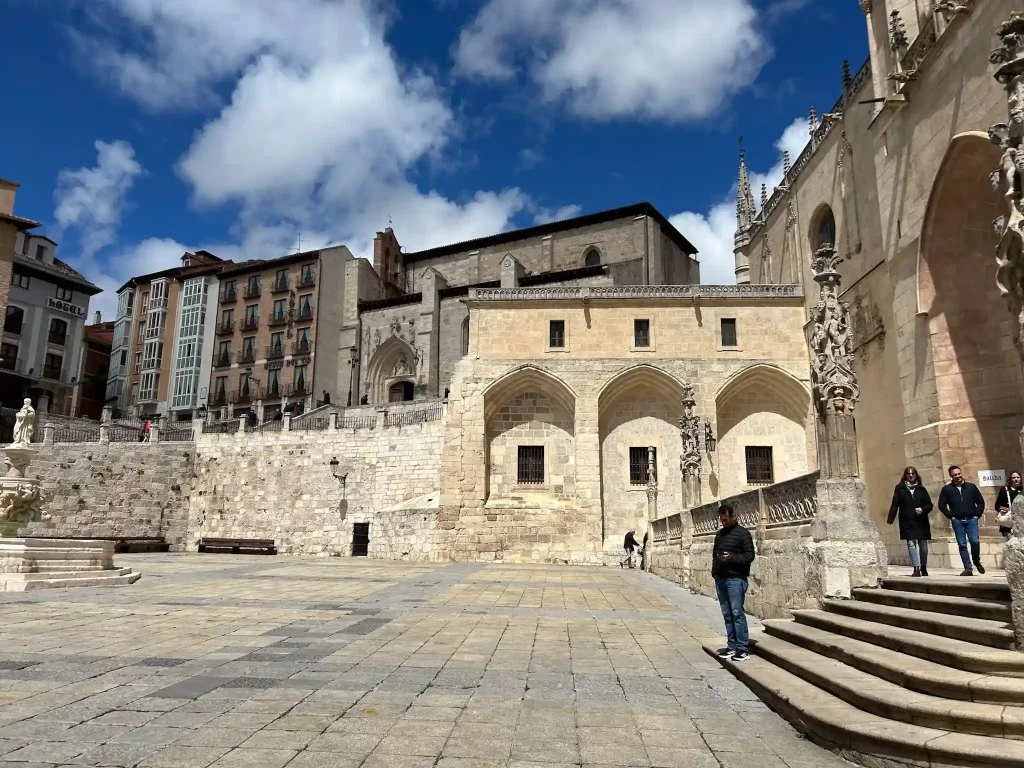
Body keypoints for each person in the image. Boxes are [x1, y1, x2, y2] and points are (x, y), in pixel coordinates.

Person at [713, 503, 755, 662]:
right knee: (727, 614)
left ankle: (742, 648)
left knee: (737, 613)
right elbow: (714, 554)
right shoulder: (720, 535)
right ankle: (732, 645)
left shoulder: (743, 534)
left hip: (736, 578)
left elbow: (749, 556)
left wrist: (731, 558)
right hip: (721, 578)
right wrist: (715, 572)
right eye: (721, 520)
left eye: (726, 520)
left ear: (732, 517)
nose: (723, 523)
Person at [938, 465, 986, 576]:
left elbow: (980, 502)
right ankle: (968, 568)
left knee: (975, 541)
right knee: (962, 544)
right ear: (951, 476)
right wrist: (951, 516)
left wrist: (977, 515)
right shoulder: (947, 489)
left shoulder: (971, 487)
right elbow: (941, 504)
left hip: (971, 519)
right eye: (955, 475)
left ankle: (976, 561)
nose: (958, 476)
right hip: (958, 520)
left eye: (959, 474)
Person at [887, 466, 934, 577]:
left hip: (921, 521)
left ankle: (923, 566)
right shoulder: (900, 488)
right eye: (909, 473)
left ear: (916, 475)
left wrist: (923, 509)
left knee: (923, 546)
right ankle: (916, 568)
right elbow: (895, 504)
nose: (911, 475)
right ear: (905, 475)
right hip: (907, 520)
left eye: (913, 473)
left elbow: (929, 504)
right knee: (911, 544)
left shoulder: (921, 489)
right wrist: (890, 518)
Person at [995, 471, 1021, 539]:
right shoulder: (1004, 490)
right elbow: (997, 505)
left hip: (1020, 522)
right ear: (1010, 479)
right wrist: (1003, 509)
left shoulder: (1022, 490)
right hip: (1008, 522)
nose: (1016, 479)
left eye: (1018, 477)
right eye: (1014, 477)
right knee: (1010, 544)